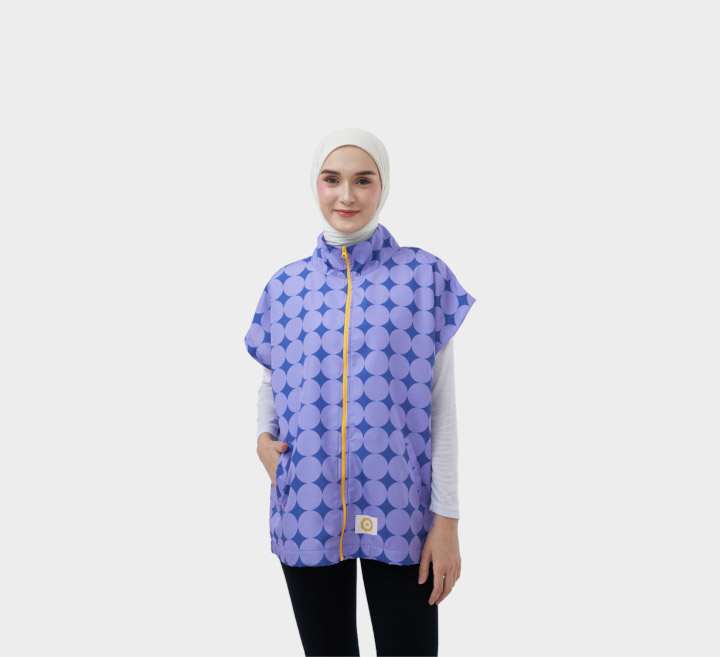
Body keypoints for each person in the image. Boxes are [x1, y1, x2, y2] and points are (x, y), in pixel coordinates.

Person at [244, 127, 476, 656]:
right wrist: (262, 439)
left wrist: (447, 521)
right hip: (307, 501)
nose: (346, 195)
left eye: (362, 180)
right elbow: (272, 377)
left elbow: (442, 408)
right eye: (332, 179)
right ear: (316, 185)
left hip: (402, 509)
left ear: (382, 186)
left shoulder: (424, 278)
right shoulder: (286, 286)